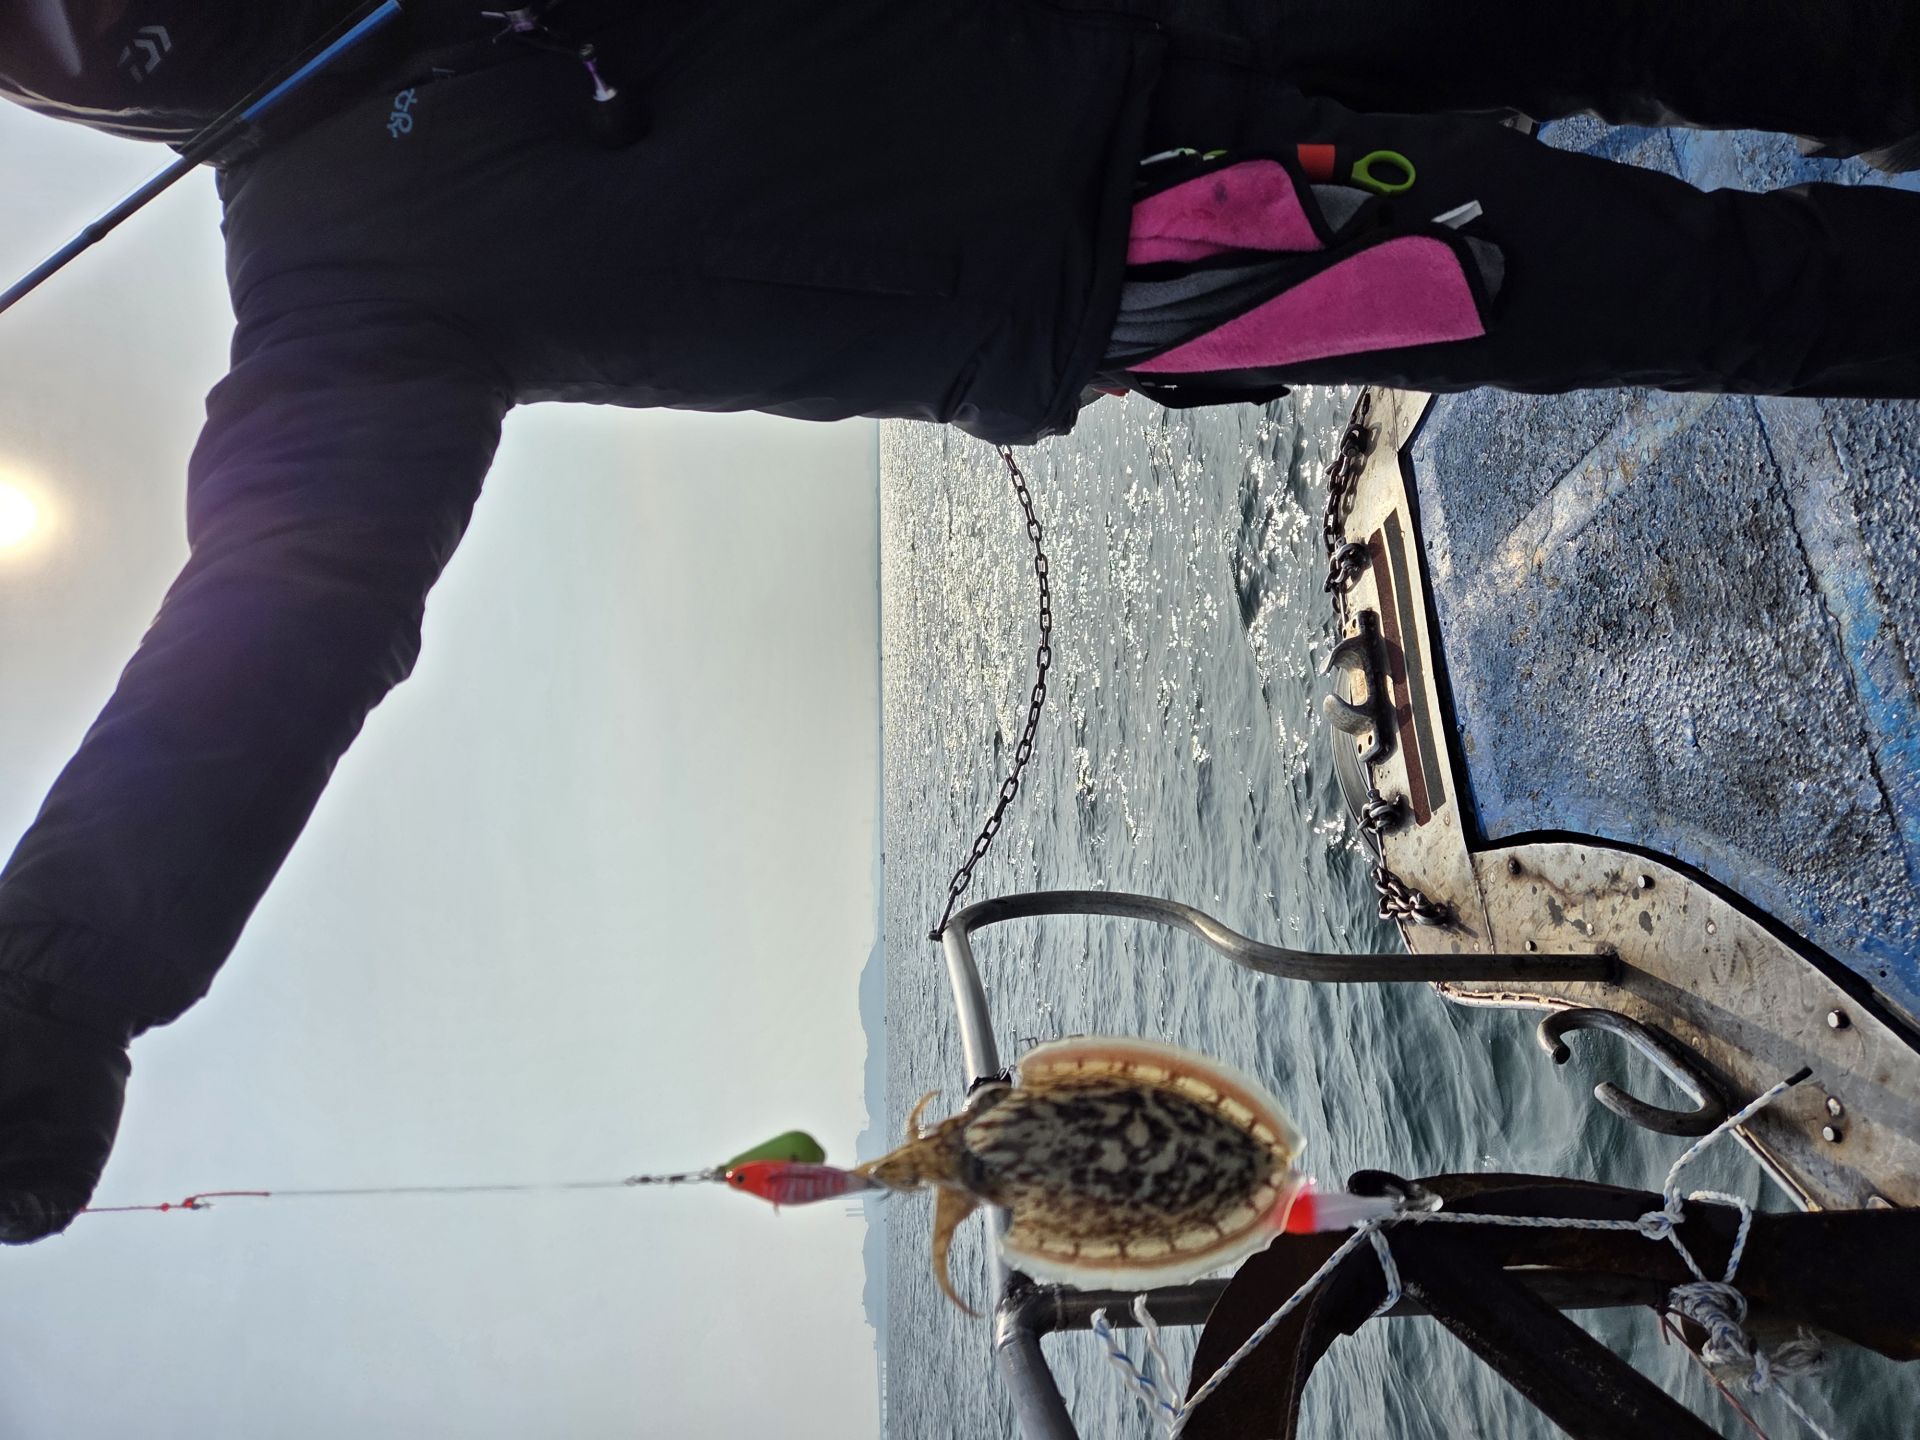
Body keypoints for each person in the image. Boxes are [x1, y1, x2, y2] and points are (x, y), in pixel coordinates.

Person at [1, 0, 1916, 1246]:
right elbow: (288, 601)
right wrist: (57, 984)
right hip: (1178, 235)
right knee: (1713, 285)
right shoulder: (336, 278)